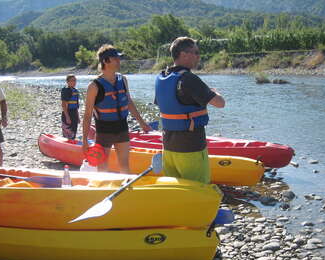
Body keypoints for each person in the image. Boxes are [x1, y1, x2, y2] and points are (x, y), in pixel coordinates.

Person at [154, 37, 225, 184]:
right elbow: (220, 103)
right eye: (196, 52)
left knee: (176, 189)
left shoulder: (161, 78)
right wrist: (215, 93)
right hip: (191, 147)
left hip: (168, 146)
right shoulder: (189, 79)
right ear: (184, 54)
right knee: (198, 187)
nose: (198, 57)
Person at [81, 45, 151, 173]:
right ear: (106, 61)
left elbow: (128, 102)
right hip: (104, 130)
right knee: (102, 168)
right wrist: (84, 140)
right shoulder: (94, 86)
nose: (119, 61)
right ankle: (103, 190)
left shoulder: (122, 80)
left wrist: (142, 123)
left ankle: (125, 190)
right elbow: (87, 115)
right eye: (116, 59)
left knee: (125, 166)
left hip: (122, 127)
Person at [61, 74, 80, 139]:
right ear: (68, 82)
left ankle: (72, 145)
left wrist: (78, 116)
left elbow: (76, 106)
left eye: (75, 80)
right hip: (67, 113)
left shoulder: (76, 91)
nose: (74, 82)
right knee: (67, 133)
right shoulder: (66, 90)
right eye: (72, 80)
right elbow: (64, 105)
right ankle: (66, 146)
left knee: (73, 133)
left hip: (74, 113)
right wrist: (67, 117)